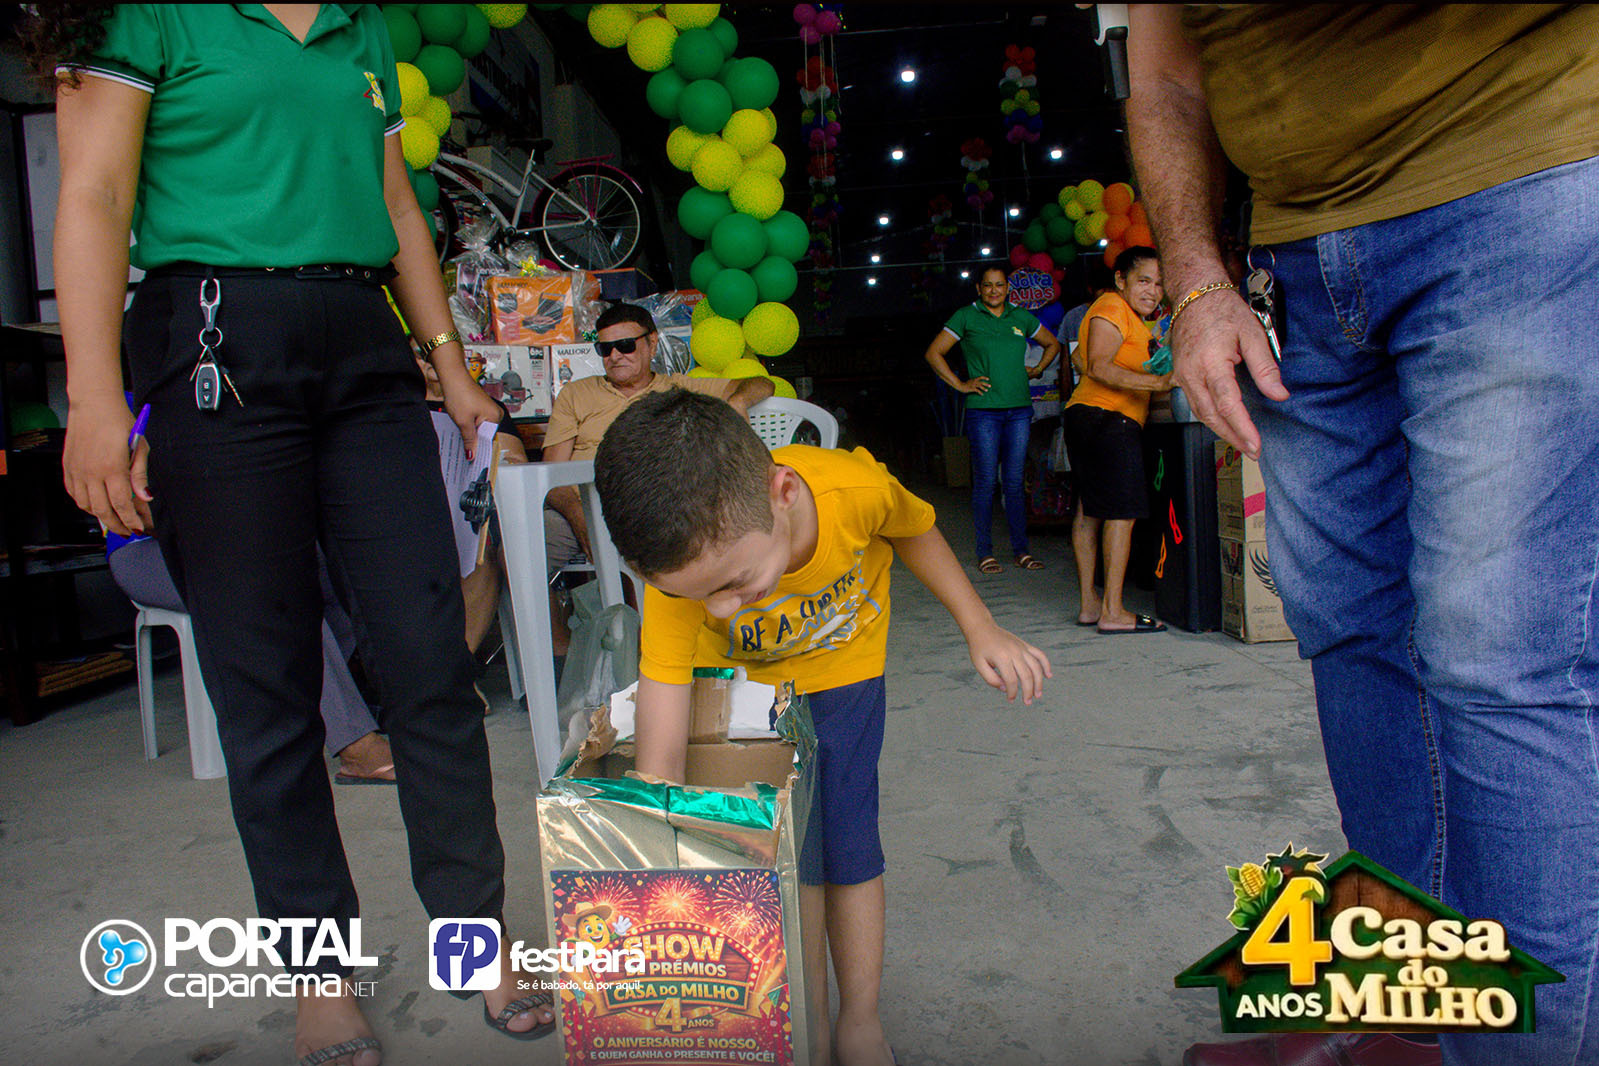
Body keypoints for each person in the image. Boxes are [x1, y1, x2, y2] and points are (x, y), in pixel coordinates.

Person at [36, 5, 551, 1063]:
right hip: (215, 347)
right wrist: (93, 401)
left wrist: (452, 368)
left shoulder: (362, 27)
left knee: (429, 663)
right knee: (265, 686)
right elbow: (94, 194)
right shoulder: (146, 14)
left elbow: (397, 205)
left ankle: (472, 940)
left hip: (364, 349)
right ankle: (319, 972)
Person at [1126, 5, 1599, 1065]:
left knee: (1499, 656)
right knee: (1348, 634)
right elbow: (1164, 76)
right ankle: (1406, 1021)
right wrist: (1196, 282)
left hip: (1517, 181)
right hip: (1290, 252)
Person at [593, 388, 1052, 1066]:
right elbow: (663, 707)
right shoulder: (679, 570)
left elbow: (915, 528)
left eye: (736, 582)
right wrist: (656, 825)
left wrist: (979, 626)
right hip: (746, 701)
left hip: (843, 675)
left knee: (850, 849)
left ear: (782, 493)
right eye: (698, 596)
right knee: (786, 863)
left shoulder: (851, 490)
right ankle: (802, 1022)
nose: (720, 610)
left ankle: (859, 1018)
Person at [539, 302, 774, 650]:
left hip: (657, 510)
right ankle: (562, 653)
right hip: (581, 510)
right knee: (518, 552)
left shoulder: (677, 389)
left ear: (651, 343)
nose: (615, 356)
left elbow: (762, 384)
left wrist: (737, 402)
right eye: (605, 349)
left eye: (625, 345)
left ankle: (670, 648)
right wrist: (578, 514)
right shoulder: (577, 393)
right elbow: (551, 476)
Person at [923, 267, 1062, 575]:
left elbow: (1053, 344)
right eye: (988, 285)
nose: (994, 291)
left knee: (1014, 482)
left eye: (999, 285)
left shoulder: (1020, 316)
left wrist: (1038, 368)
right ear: (978, 288)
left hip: (1019, 410)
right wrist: (960, 385)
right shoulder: (966, 316)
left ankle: (1021, 551)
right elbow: (934, 353)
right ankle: (985, 553)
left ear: (1008, 288)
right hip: (983, 410)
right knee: (986, 482)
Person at [1063, 246, 1170, 635]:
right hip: (1109, 418)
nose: (1152, 291)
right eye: (1143, 281)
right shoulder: (1112, 306)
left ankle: (1090, 605)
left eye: (1159, 284)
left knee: (1089, 510)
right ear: (1120, 280)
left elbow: (1087, 359)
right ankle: (1113, 610)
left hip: (1088, 416)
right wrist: (1160, 382)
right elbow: (1098, 365)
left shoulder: (1134, 321)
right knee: (1121, 514)